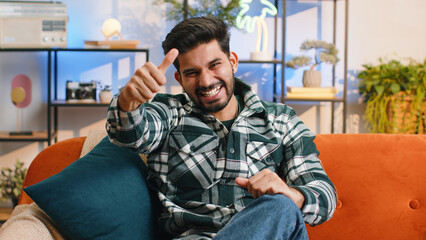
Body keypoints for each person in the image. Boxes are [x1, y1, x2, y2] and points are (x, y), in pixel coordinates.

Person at [106, 16, 337, 240]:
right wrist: (128, 101)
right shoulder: (169, 113)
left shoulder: (282, 120)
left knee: (282, 207)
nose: (206, 81)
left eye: (214, 65)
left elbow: (324, 196)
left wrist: (293, 196)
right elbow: (131, 134)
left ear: (233, 62)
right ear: (179, 79)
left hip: (270, 232)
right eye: (192, 73)